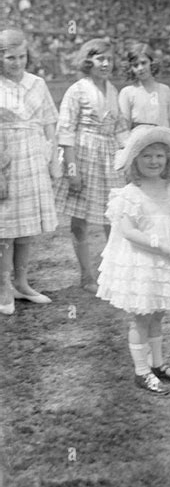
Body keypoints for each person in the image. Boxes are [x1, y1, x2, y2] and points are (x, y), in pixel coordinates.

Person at [97, 125, 170, 395]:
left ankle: (158, 362)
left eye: (159, 156)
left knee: (158, 314)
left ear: (167, 160)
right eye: (146, 156)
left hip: (167, 259)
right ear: (134, 161)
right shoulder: (129, 194)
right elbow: (129, 233)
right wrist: (162, 246)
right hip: (142, 262)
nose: (154, 162)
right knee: (141, 316)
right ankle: (141, 371)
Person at [54, 38, 129, 293]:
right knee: (80, 220)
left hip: (108, 158)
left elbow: (120, 129)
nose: (106, 63)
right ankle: (86, 275)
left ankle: (111, 271)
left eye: (109, 59)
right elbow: (65, 131)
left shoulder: (113, 90)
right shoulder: (76, 90)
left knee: (113, 216)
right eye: (100, 59)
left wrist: (127, 156)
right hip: (83, 157)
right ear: (89, 61)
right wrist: (72, 170)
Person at [0, 28, 60, 315]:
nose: (17, 62)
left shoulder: (37, 83)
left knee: (27, 230)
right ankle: (3, 288)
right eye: (10, 57)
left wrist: (53, 159)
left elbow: (50, 122)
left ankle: (22, 284)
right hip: (4, 159)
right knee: (5, 230)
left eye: (22, 56)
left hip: (34, 156)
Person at [118, 42, 170, 130]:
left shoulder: (165, 90)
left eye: (143, 63)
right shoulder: (127, 93)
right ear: (131, 68)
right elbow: (125, 126)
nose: (140, 68)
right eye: (135, 65)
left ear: (152, 63)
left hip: (162, 139)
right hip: (139, 140)